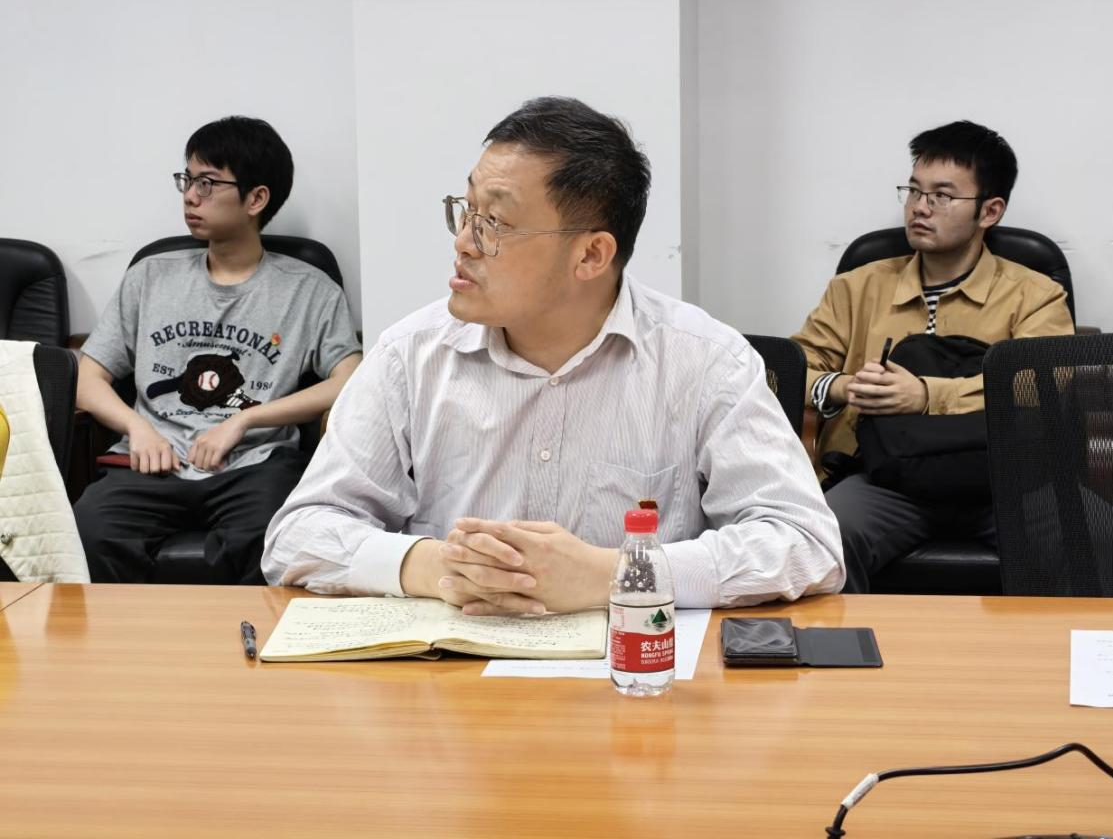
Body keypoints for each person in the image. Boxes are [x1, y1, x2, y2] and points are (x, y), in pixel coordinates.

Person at [263, 96, 843, 613]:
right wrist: (436, 566)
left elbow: (805, 543)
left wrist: (615, 574)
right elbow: (297, 534)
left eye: (494, 222)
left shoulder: (705, 360)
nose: (463, 242)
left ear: (590, 256)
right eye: (467, 210)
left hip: (631, 676)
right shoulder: (409, 354)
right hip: (453, 676)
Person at [74, 116, 362, 583]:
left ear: (256, 199)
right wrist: (137, 428)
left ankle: (245, 633)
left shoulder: (309, 289)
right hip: (152, 462)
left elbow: (350, 380)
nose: (190, 196)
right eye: (187, 180)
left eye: (207, 183)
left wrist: (244, 420)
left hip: (254, 465)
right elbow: (88, 380)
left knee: (274, 540)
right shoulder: (150, 277)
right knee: (90, 531)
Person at [791, 120, 1074, 592]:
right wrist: (841, 387)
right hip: (886, 480)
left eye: (942, 195)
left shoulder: (1035, 294)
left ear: (990, 211)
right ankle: (846, 643)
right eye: (914, 191)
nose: (920, 207)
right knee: (821, 538)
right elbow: (787, 370)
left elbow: (1040, 385)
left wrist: (925, 395)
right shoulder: (857, 287)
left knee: (1090, 536)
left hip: (1004, 479)